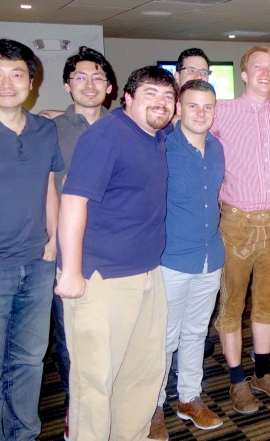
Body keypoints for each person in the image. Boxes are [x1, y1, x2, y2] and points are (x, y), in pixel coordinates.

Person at [55, 66, 176, 440]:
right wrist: (70, 271)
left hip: (147, 272)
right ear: (128, 98)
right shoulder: (106, 136)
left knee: (141, 374)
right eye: (150, 94)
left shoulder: (155, 134)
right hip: (101, 277)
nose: (160, 102)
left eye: (168, 96)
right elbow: (73, 201)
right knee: (95, 382)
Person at [211, 46, 270, 414]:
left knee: (266, 302)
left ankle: (261, 372)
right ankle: (237, 379)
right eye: (258, 67)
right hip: (237, 222)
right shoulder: (221, 111)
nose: (265, 73)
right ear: (244, 74)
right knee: (232, 304)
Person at [147, 80, 224, 440]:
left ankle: (189, 398)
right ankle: (153, 407)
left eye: (207, 106)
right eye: (193, 105)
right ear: (178, 108)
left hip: (210, 256)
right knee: (163, 338)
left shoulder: (217, 148)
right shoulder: (162, 147)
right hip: (172, 259)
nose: (200, 113)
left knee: (196, 332)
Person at [0, 38, 64, 441]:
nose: (7, 83)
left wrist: (53, 242)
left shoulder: (44, 130)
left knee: (27, 361)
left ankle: (22, 434)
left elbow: (48, 187)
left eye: (16, 74)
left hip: (37, 263)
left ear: (31, 81)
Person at [52, 45, 115, 439]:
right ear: (67, 85)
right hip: (69, 250)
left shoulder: (125, 125)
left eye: (97, 78)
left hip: (117, 250)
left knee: (114, 333)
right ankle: (74, 406)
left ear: (109, 86)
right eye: (80, 77)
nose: (89, 84)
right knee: (71, 338)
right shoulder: (50, 130)